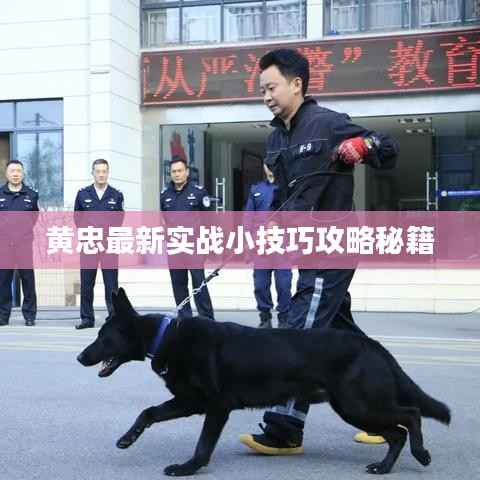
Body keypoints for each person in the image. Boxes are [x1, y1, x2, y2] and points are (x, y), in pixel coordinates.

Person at [239, 48, 398, 453]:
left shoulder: (328, 123)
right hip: (304, 248)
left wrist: (363, 147)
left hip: (333, 246)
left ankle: (285, 428)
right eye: (262, 90)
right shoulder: (276, 138)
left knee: (301, 332)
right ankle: (388, 405)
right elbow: (285, 197)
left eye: (272, 87)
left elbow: (386, 146)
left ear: (296, 84)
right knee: (342, 335)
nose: (266, 96)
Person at [160, 156, 215, 321]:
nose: (177, 174)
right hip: (175, 246)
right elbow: (164, 219)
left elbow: (208, 221)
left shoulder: (198, 192)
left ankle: (206, 318)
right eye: (173, 172)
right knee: (178, 283)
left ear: (187, 172)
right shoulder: (165, 194)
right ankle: (184, 318)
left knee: (199, 282)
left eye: (180, 171)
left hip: (194, 245)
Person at [74, 159, 124, 329]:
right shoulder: (83, 194)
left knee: (111, 284)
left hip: (109, 245)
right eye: (98, 171)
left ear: (108, 173)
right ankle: (87, 318)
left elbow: (120, 219)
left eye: (104, 171)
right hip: (89, 244)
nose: (101, 174)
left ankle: (114, 318)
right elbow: (77, 218)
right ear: (93, 173)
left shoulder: (116, 195)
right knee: (87, 283)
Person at [245, 164, 292, 328]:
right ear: (264, 167)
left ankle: (284, 318)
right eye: (269, 164)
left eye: (275, 163)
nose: (271, 167)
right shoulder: (256, 189)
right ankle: (265, 318)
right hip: (261, 245)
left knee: (284, 285)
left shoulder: (288, 188)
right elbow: (248, 218)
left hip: (282, 245)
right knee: (260, 285)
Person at [0, 160, 38, 326]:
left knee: (28, 280)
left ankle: (29, 316)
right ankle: (3, 316)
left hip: (24, 245)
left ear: (22, 174)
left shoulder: (31, 195)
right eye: (12, 171)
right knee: (3, 280)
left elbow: (34, 218)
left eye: (18, 171)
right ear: (6, 174)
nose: (15, 174)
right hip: (4, 245)